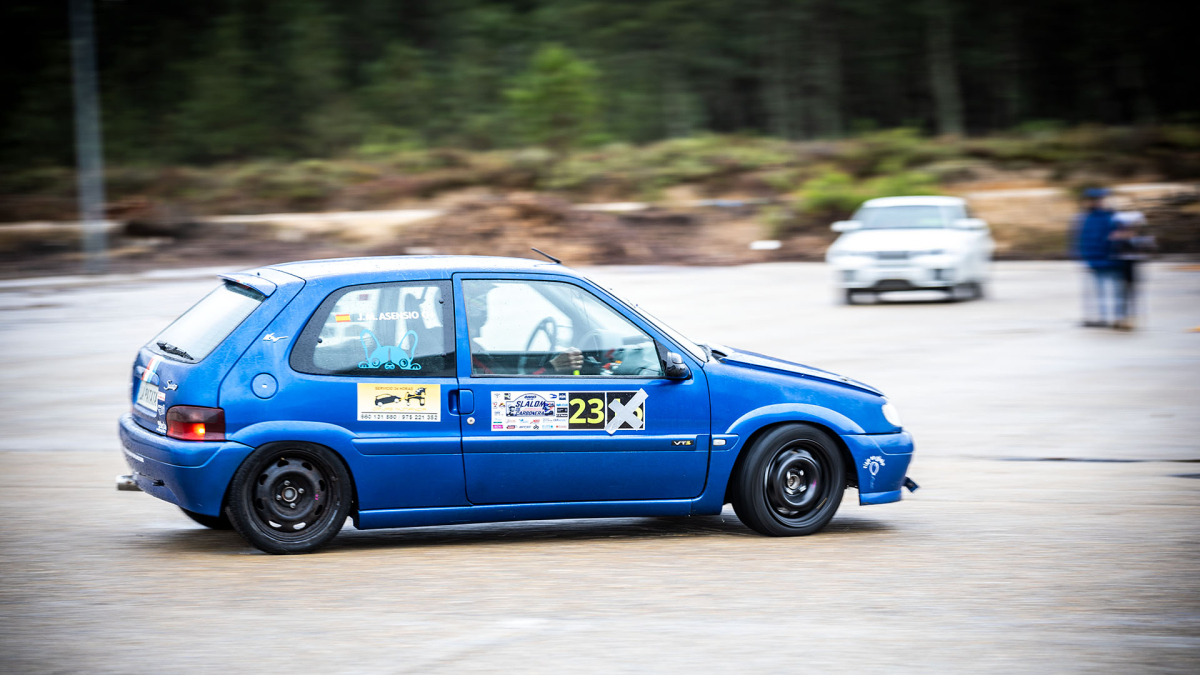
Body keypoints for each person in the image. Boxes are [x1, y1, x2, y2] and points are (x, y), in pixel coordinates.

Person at [1071, 188, 1126, 328]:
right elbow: (1078, 240)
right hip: (1095, 261)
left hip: (1112, 261)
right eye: (1093, 200)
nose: (1096, 202)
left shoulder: (1112, 217)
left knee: (1115, 292)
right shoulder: (1083, 218)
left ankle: (1117, 318)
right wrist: (1081, 258)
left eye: (1098, 200)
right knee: (1099, 292)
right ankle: (1103, 318)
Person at [1110, 208, 1155, 330]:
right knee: (1122, 294)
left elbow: (1149, 249)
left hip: (1131, 268)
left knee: (1130, 294)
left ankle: (1129, 318)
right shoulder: (1117, 236)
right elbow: (1114, 249)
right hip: (1121, 267)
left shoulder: (1140, 237)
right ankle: (1121, 318)